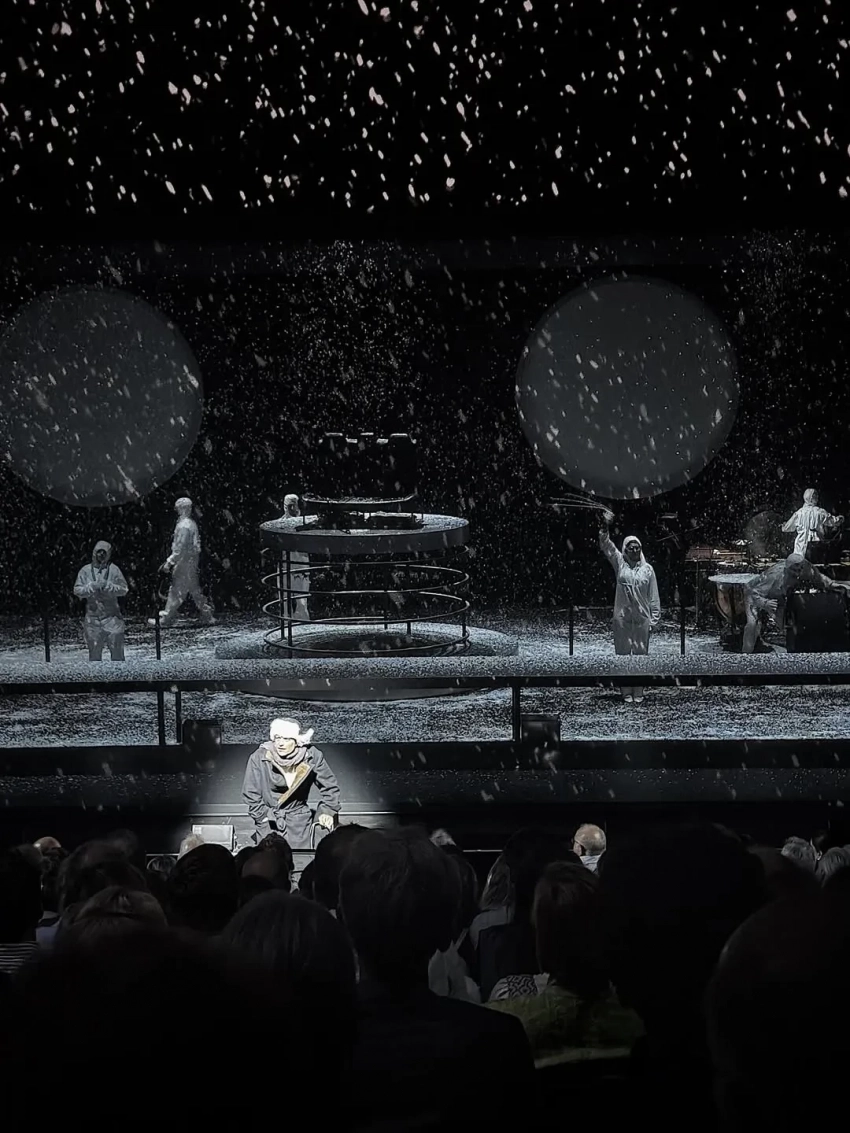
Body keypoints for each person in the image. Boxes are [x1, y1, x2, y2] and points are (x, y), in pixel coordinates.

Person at [241, 719, 340, 860]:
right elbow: (250, 793)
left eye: (286, 739)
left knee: (300, 862)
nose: (280, 743)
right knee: (270, 865)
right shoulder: (260, 757)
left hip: (299, 821)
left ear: (297, 740)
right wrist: (262, 819)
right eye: (277, 738)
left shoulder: (311, 756)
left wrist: (327, 812)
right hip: (270, 822)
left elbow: (330, 786)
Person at [599, 510, 661, 704]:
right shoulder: (620, 564)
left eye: (637, 548)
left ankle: (639, 690)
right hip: (622, 617)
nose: (634, 551)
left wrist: (654, 619)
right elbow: (607, 546)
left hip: (642, 618)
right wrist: (605, 526)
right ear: (625, 550)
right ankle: (625, 690)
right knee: (623, 654)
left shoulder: (647, 570)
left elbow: (653, 596)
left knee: (641, 655)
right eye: (631, 548)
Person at [742, 553, 848, 653]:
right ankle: (746, 653)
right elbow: (753, 593)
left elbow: (819, 578)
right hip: (754, 594)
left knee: (782, 627)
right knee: (752, 624)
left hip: (778, 597)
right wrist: (765, 603)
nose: (797, 573)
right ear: (786, 569)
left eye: (799, 569)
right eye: (794, 570)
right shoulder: (774, 576)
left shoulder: (806, 569)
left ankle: (781, 649)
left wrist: (832, 585)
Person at [149, 497, 214, 628]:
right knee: (193, 589)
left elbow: (180, 547)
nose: (177, 510)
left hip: (185, 561)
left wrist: (169, 562)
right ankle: (207, 615)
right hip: (191, 560)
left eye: (179, 508)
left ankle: (167, 618)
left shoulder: (184, 525)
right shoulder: (190, 523)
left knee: (176, 590)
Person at [73, 540, 128, 661]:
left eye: (104, 552)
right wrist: (90, 587)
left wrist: (109, 586)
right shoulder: (85, 571)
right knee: (94, 652)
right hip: (93, 618)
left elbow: (124, 589)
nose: (101, 555)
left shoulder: (114, 570)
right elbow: (77, 590)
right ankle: (95, 673)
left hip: (112, 617)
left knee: (117, 651)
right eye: (99, 552)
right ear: (94, 553)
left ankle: (119, 672)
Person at [781, 488, 843, 558]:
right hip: (817, 546)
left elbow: (787, 528)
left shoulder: (798, 513)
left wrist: (784, 525)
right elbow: (833, 522)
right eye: (816, 496)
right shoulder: (820, 512)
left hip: (800, 549)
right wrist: (841, 519)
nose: (817, 498)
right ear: (812, 498)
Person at [283, 492, 310, 621]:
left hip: (301, 563)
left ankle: (302, 620)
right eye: (290, 506)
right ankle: (285, 619)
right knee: (284, 596)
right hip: (286, 563)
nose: (293, 508)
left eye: (295, 505)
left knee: (301, 598)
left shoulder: (305, 522)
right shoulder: (280, 523)